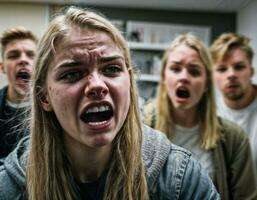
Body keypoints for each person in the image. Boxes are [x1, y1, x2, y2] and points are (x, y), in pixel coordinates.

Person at [0, 7, 219, 200]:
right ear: (44, 97)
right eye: (73, 74)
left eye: (112, 69)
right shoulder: (10, 187)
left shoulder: (181, 179)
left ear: (130, 84)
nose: (97, 85)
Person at [143, 33, 256, 200]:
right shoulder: (140, 127)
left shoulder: (233, 138)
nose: (183, 77)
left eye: (194, 71)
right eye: (175, 68)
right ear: (164, 78)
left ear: (206, 84)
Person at [210, 33, 257, 178]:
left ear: (251, 71)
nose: (231, 75)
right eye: (222, 69)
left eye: (239, 67)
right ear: (213, 75)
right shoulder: (208, 114)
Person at [0, 27, 37, 160]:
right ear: (2, 67)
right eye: (14, 55)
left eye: (31, 55)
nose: (23, 60)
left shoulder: (55, 109)